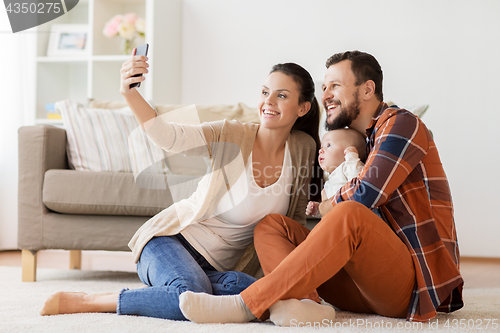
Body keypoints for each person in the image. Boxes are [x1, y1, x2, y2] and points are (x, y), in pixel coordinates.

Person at [176, 50, 464, 325]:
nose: (324, 95)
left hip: (409, 285)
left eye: (335, 85)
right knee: (272, 226)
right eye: (324, 87)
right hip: (358, 286)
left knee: (350, 212)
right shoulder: (357, 142)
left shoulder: (401, 124)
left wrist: (328, 205)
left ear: (367, 89)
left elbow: (367, 195)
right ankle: (303, 305)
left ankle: (247, 304)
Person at [39, 53, 324, 320]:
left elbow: (294, 220)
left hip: (221, 269)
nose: (268, 101)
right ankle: (93, 301)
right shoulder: (233, 134)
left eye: (281, 95)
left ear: (303, 107)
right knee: (193, 294)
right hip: (169, 242)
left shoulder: (303, 147)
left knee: (258, 294)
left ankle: (198, 293)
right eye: (265, 92)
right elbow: (170, 137)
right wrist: (130, 93)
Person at [306, 128, 365, 218]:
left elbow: (358, 182)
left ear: (349, 150)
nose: (320, 151)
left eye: (328, 145)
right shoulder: (330, 181)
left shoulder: (348, 166)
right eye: (321, 147)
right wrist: (318, 209)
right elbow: (328, 211)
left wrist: (352, 157)